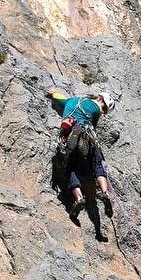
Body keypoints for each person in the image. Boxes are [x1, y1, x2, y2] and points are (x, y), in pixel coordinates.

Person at [46, 87, 116, 220]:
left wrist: (52, 93)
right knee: (98, 164)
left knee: (69, 168)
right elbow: (92, 125)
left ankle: (78, 198)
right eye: (104, 109)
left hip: (70, 135)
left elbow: (58, 97)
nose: (103, 112)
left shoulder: (71, 101)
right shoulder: (96, 110)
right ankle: (105, 192)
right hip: (87, 133)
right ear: (99, 99)